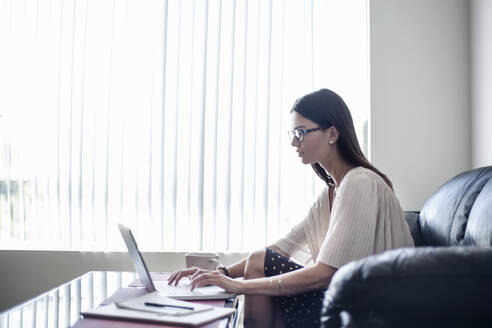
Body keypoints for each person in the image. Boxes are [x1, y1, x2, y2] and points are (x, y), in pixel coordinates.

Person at [168, 89, 414, 328]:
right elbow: (282, 248)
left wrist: (239, 287)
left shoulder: (360, 182)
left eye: (301, 132)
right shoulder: (332, 190)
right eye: (293, 133)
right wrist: (221, 274)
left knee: (257, 263)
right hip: (341, 303)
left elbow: (327, 273)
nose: (294, 142)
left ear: (332, 133)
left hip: (369, 312)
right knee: (258, 260)